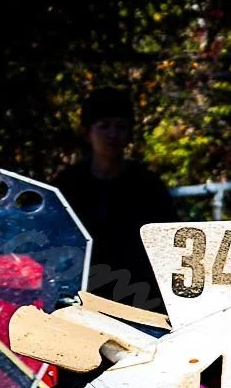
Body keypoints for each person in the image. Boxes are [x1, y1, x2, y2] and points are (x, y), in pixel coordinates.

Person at [54, 87, 178, 309]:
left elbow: (167, 246)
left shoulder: (148, 186)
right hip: (82, 297)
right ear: (88, 132)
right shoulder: (68, 185)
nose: (112, 134)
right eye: (104, 126)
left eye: (120, 126)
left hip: (141, 299)